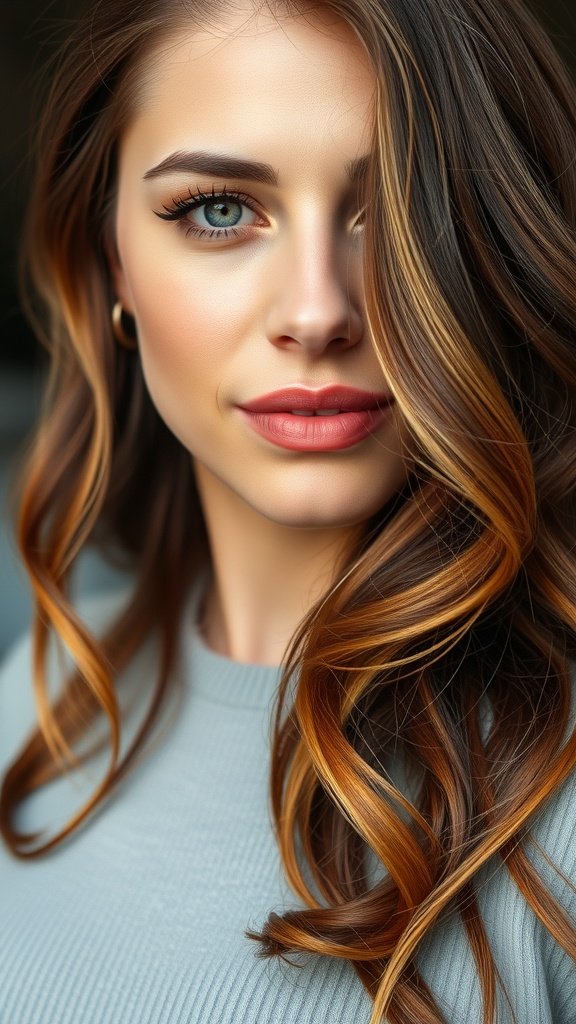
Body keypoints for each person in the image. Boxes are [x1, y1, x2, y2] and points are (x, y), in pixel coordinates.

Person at [0, 0, 575, 1021]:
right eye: (220, 209)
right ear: (114, 262)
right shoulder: (39, 694)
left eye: (402, 208)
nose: (317, 312)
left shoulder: (558, 811)